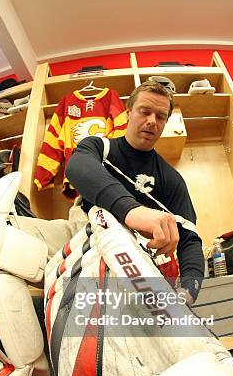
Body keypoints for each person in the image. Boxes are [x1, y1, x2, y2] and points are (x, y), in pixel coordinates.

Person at [66, 78, 205, 305]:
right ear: (128, 112)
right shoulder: (99, 147)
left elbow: (190, 239)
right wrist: (133, 211)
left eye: (160, 116)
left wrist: (189, 290)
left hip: (133, 259)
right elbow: (76, 166)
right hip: (81, 237)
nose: (152, 121)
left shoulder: (172, 180)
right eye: (145, 111)